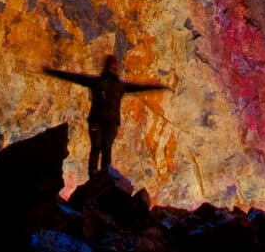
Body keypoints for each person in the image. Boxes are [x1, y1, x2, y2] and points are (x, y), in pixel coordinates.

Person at [41, 51, 170, 182]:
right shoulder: (103, 83)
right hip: (99, 121)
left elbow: (140, 87)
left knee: (104, 148)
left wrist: (159, 86)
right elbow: (73, 77)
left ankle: (102, 178)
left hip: (108, 123)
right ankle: (96, 177)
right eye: (112, 66)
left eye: (114, 66)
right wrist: (52, 72)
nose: (114, 68)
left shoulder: (115, 85)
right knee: (98, 148)